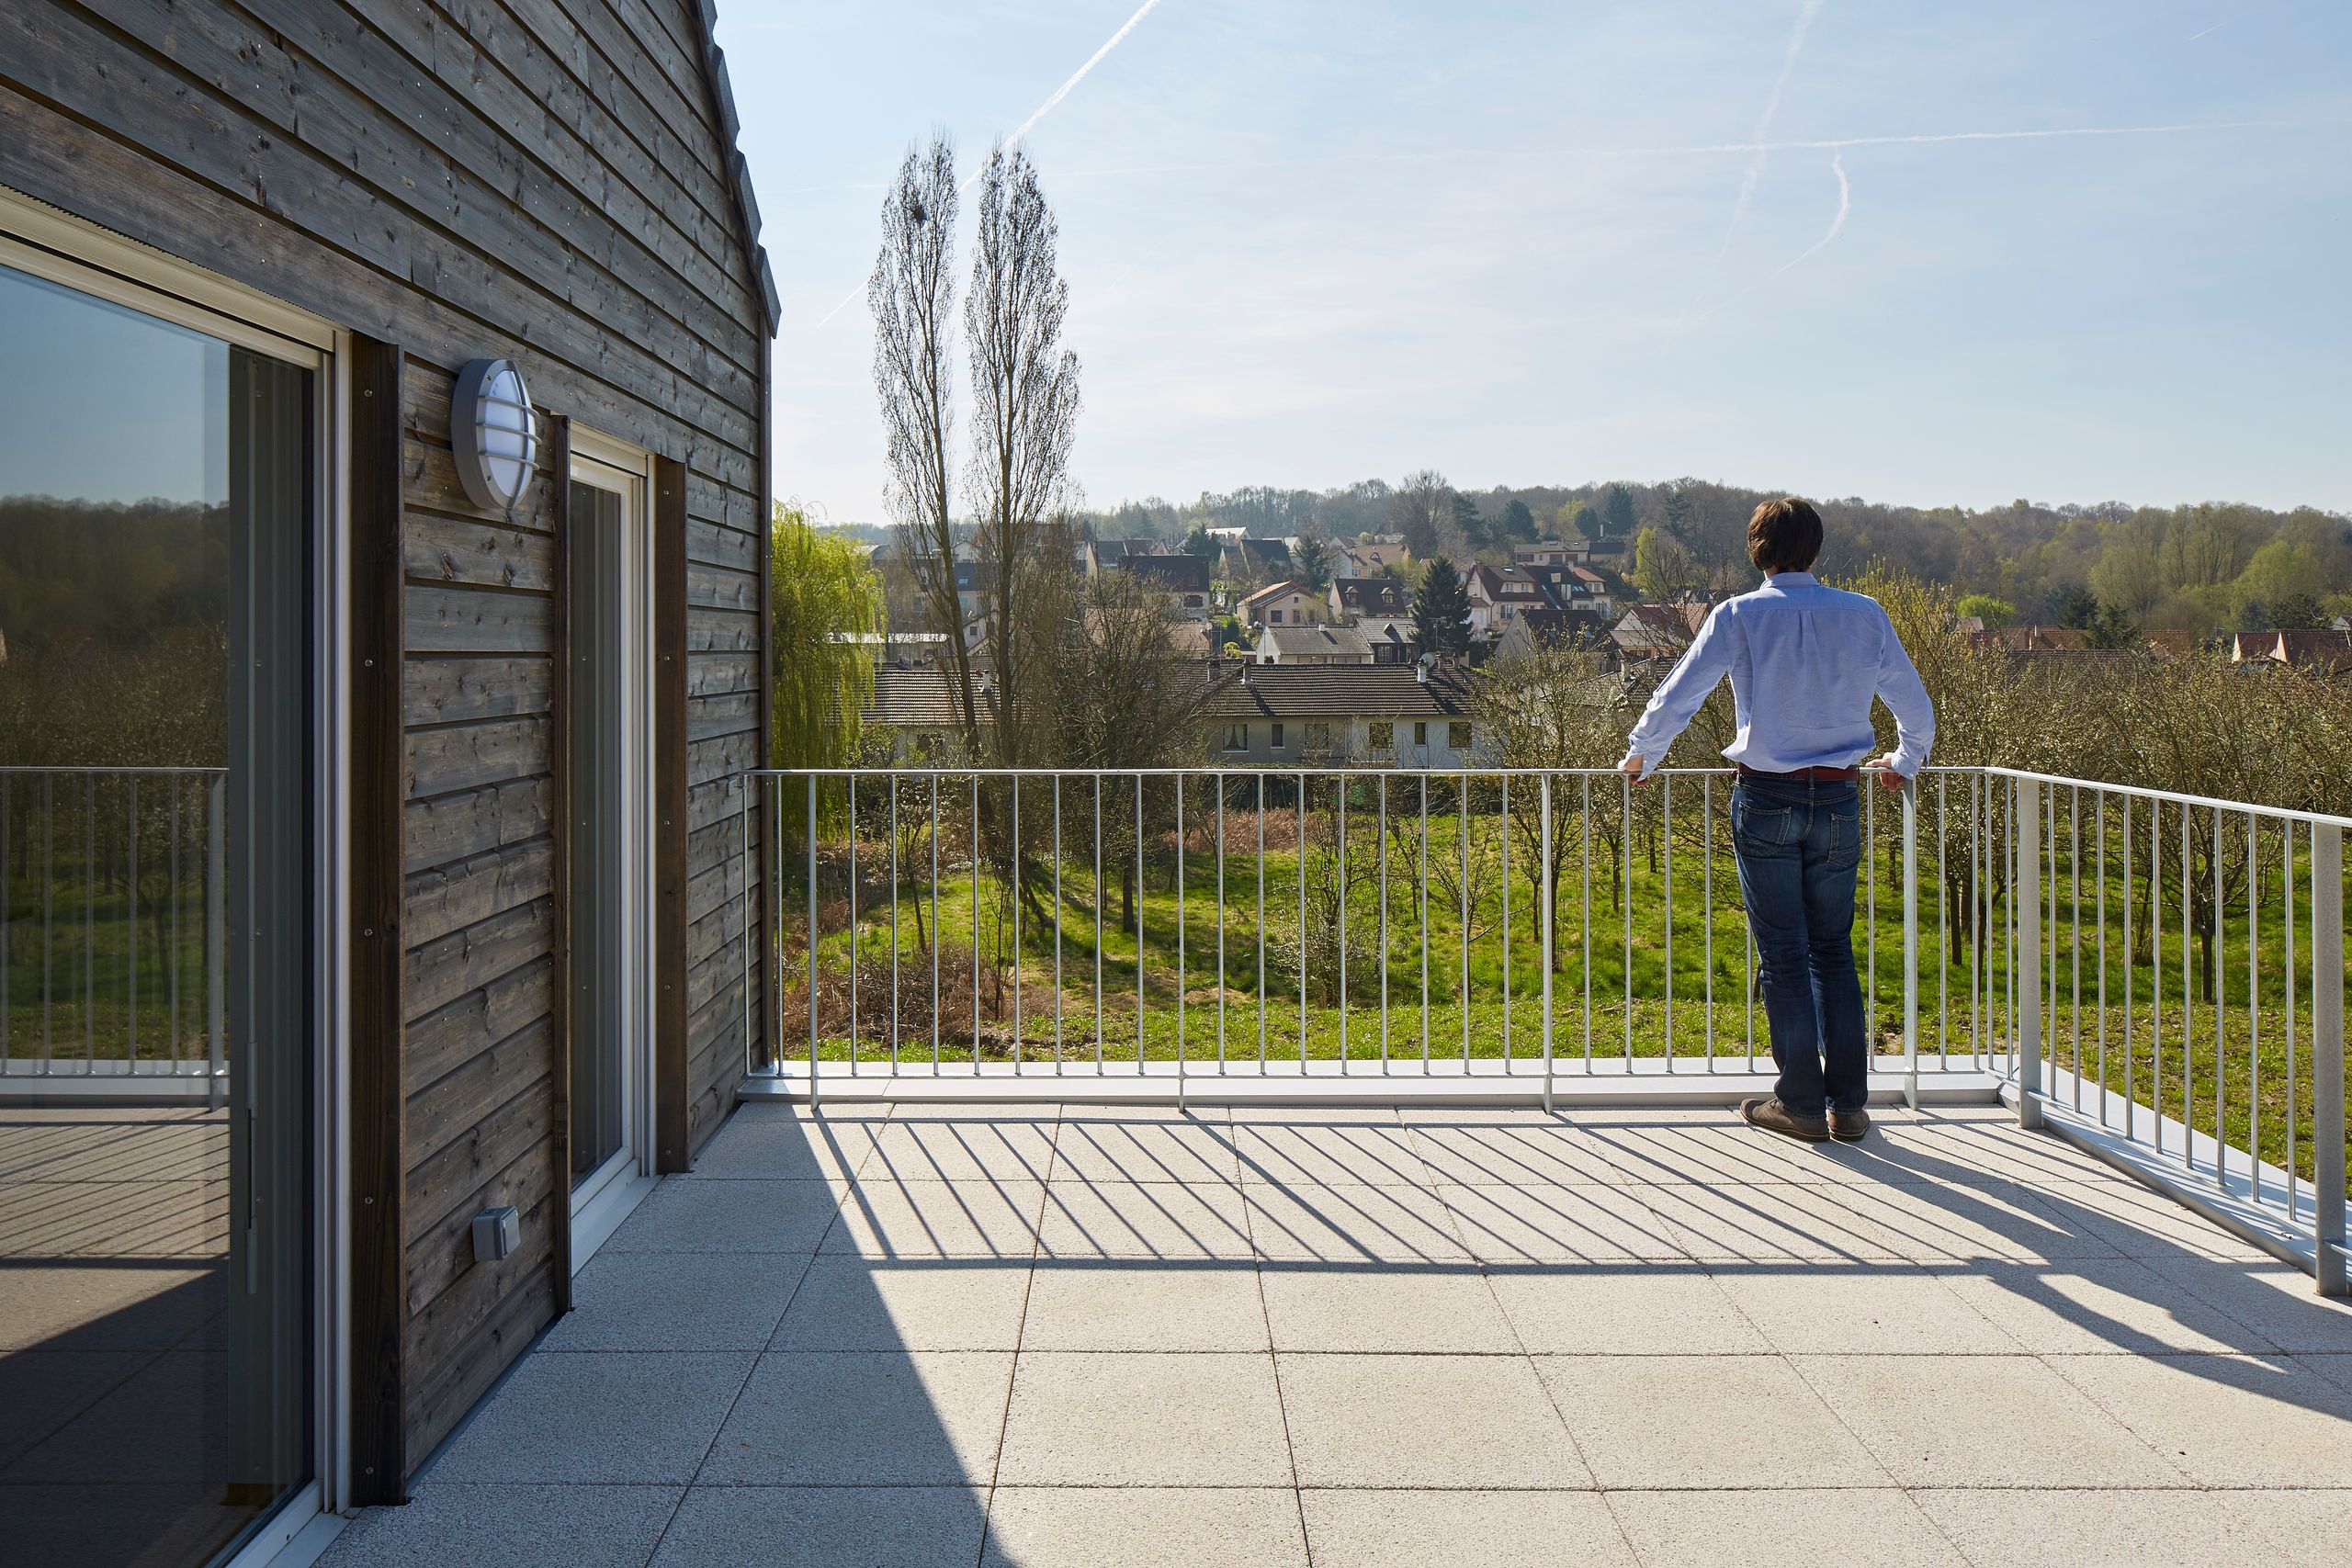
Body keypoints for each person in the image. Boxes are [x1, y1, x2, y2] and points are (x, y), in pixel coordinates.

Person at [1616, 498, 1934, 1144]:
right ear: (1815, 549)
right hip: (1841, 799)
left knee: (1784, 954)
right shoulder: (1864, 614)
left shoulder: (1738, 615)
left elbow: (1682, 688)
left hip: (1766, 799)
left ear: (1757, 549)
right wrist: (1905, 759)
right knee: (1832, 951)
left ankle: (1800, 1104)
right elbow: (1914, 704)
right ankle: (1848, 1106)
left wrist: (1644, 752)